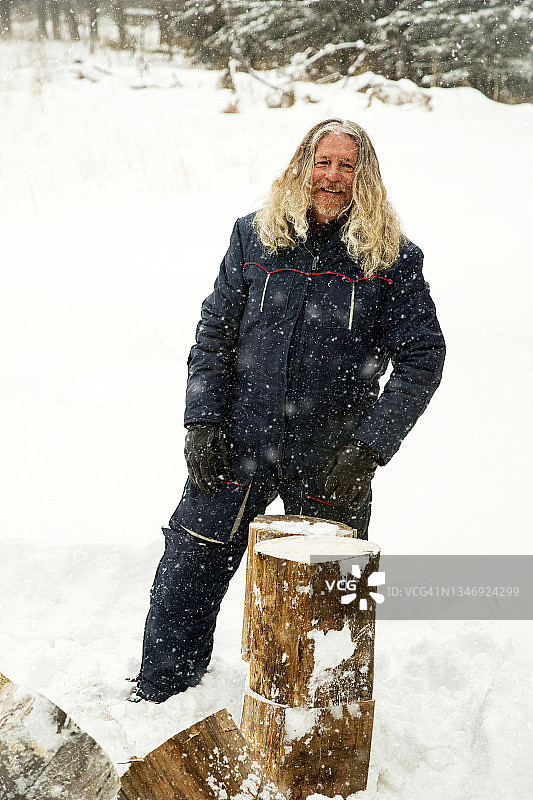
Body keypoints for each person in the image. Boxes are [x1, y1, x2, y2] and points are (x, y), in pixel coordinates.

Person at [131, 118, 446, 703]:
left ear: (365, 178)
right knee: (187, 571)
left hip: (333, 456)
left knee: (333, 603)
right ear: (302, 167)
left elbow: (424, 359)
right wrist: (200, 420)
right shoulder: (255, 237)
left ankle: (325, 723)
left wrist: (370, 447)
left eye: (346, 166)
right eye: (321, 162)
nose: (331, 177)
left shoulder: (392, 258)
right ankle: (161, 699)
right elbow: (215, 335)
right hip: (239, 440)